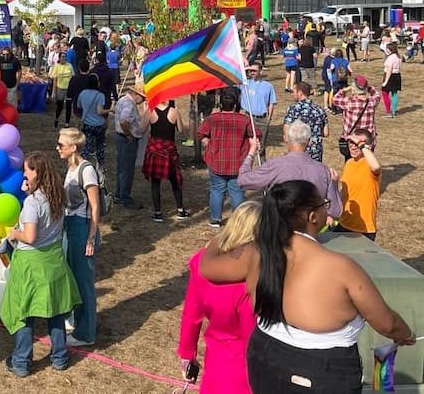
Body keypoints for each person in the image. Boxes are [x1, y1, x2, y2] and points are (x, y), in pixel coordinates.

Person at [199, 180, 416, 394]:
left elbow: (207, 267)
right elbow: (387, 323)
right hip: (322, 371)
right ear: (313, 216)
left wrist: (222, 236)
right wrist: (405, 334)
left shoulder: (255, 252)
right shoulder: (341, 267)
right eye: (324, 204)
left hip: (263, 357)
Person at [0, 151, 81, 376]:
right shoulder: (57, 195)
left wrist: (14, 234)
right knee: (55, 310)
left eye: (27, 169)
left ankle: (21, 362)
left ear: (37, 173)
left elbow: (30, 236)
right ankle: (60, 358)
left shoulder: (32, 204)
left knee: (24, 312)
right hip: (53, 260)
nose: (23, 173)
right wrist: (30, 192)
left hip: (31, 264)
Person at [176, 200, 260, 394]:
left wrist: (187, 354)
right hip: (244, 371)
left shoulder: (202, 263)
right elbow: (253, 339)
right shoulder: (247, 282)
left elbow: (191, 313)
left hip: (215, 362)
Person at [238, 121, 342, 221]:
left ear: (285, 139)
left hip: (281, 230)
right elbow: (336, 211)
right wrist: (334, 185)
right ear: (309, 141)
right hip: (309, 232)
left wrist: (251, 152)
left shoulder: (275, 166)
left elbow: (243, 180)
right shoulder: (323, 170)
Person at [57, 128, 99, 347]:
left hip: (83, 228)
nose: (57, 148)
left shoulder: (86, 170)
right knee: (71, 278)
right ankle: (75, 319)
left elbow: (94, 207)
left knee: (84, 283)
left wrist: (91, 237)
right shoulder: (71, 168)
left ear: (73, 147)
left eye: (61, 144)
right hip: (70, 228)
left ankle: (86, 333)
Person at [197, 87, 256, 227]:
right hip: (237, 163)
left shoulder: (213, 119)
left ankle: (215, 219)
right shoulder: (244, 120)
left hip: (217, 162)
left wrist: (206, 142)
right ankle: (237, 221)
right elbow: (255, 134)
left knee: (217, 190)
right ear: (236, 104)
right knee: (236, 192)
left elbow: (200, 132)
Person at [142, 99, 189, 222]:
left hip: (155, 148)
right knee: (175, 179)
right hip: (169, 149)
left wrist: (144, 112)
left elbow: (141, 130)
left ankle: (158, 213)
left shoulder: (150, 111)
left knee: (155, 181)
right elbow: (181, 130)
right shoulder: (174, 111)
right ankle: (180, 210)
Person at [334, 129, 382, 240]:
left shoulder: (369, 165)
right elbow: (344, 191)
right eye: (351, 143)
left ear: (368, 146)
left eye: (357, 144)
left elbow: (376, 167)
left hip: (363, 228)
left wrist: (361, 144)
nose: (353, 147)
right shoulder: (349, 163)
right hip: (344, 223)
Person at [113, 84, 150, 208]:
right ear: (136, 95)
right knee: (127, 169)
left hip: (121, 138)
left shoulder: (123, 100)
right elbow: (124, 121)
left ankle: (119, 194)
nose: (143, 101)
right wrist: (129, 134)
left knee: (122, 168)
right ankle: (125, 197)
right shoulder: (129, 104)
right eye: (143, 98)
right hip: (126, 140)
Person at [282, 82, 329, 162]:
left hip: (298, 150)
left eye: (293, 92)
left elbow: (287, 131)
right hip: (316, 151)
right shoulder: (320, 110)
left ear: (300, 93)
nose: (292, 94)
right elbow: (326, 133)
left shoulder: (294, 109)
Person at [238, 63, 276, 159]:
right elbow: (236, 75)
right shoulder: (245, 83)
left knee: (261, 146)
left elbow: (271, 103)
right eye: (251, 71)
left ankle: (262, 167)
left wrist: (269, 118)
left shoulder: (268, 86)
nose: (252, 73)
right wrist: (247, 68)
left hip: (262, 119)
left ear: (261, 72)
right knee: (246, 145)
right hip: (248, 118)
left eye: (254, 71)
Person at [332, 75, 381, 143]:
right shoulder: (372, 102)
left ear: (353, 88)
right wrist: (368, 88)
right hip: (368, 139)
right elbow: (377, 94)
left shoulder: (349, 102)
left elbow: (335, 99)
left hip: (352, 138)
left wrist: (344, 90)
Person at [77, 74, 110, 168]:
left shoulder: (82, 93)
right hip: (99, 124)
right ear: (98, 83)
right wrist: (110, 110)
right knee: (100, 145)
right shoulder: (100, 95)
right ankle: (101, 165)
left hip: (87, 124)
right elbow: (100, 111)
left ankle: (82, 165)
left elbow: (79, 106)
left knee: (86, 146)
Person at [49, 51, 74, 128]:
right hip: (60, 88)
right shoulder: (56, 66)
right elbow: (55, 79)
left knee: (69, 106)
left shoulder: (69, 65)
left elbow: (72, 76)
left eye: (65, 57)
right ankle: (56, 118)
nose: (64, 58)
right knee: (60, 106)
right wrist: (54, 91)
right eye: (62, 57)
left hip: (69, 89)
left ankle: (67, 123)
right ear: (59, 58)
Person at [381, 41, 402, 118]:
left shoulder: (390, 58)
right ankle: (394, 111)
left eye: (387, 49)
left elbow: (389, 70)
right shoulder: (398, 57)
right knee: (394, 93)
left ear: (390, 50)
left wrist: (385, 81)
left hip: (390, 76)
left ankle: (388, 112)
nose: (386, 51)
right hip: (397, 75)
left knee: (384, 93)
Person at [329, 47, 352, 114]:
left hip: (335, 79)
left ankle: (334, 109)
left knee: (335, 94)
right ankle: (342, 109)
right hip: (344, 80)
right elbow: (350, 70)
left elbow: (331, 68)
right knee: (343, 94)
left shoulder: (333, 61)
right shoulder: (345, 61)